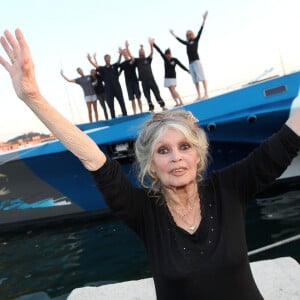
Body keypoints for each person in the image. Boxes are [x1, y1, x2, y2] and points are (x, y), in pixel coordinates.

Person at [1, 29, 300, 300]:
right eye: (163, 151)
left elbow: (287, 139)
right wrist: (32, 96)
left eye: (184, 147)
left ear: (197, 156)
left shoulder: (230, 188)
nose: (176, 157)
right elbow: (93, 157)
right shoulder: (143, 211)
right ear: (151, 165)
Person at [170, 11, 209, 100]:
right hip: (190, 63)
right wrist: (173, 35)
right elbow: (180, 40)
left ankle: (206, 93)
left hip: (196, 61)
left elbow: (200, 31)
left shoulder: (195, 40)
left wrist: (204, 19)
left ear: (193, 34)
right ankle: (199, 95)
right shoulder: (187, 43)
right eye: (188, 35)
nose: (189, 35)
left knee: (202, 77)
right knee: (195, 80)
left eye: (190, 34)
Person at [126, 40, 166, 112]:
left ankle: (163, 106)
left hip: (151, 79)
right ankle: (151, 108)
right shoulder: (137, 60)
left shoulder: (148, 59)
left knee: (157, 93)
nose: (142, 53)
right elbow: (130, 56)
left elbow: (151, 53)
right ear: (139, 54)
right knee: (147, 96)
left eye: (142, 51)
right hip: (144, 81)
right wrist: (127, 47)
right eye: (140, 52)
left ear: (144, 53)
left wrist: (151, 45)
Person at [87, 51, 127, 118]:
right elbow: (95, 65)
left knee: (122, 102)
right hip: (108, 89)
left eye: (108, 58)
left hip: (117, 87)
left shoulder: (114, 66)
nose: (108, 59)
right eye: (106, 58)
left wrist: (120, 54)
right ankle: (113, 118)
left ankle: (125, 115)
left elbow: (118, 61)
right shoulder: (102, 69)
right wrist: (90, 60)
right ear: (105, 60)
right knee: (111, 106)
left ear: (110, 59)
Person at [152, 40, 189, 106]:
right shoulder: (165, 59)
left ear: (170, 54)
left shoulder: (174, 59)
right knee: (171, 90)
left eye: (169, 54)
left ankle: (181, 101)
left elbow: (181, 65)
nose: (168, 56)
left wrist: (188, 70)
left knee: (173, 89)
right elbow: (159, 51)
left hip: (173, 77)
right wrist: (153, 44)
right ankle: (177, 102)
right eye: (166, 55)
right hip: (167, 77)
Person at [119, 46, 143, 114]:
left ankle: (141, 111)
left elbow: (133, 59)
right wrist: (120, 54)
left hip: (135, 81)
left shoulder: (132, 60)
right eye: (124, 53)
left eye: (126, 52)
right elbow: (119, 73)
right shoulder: (123, 64)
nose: (125, 54)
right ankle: (135, 112)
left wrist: (127, 49)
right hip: (128, 83)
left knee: (138, 97)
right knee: (132, 99)